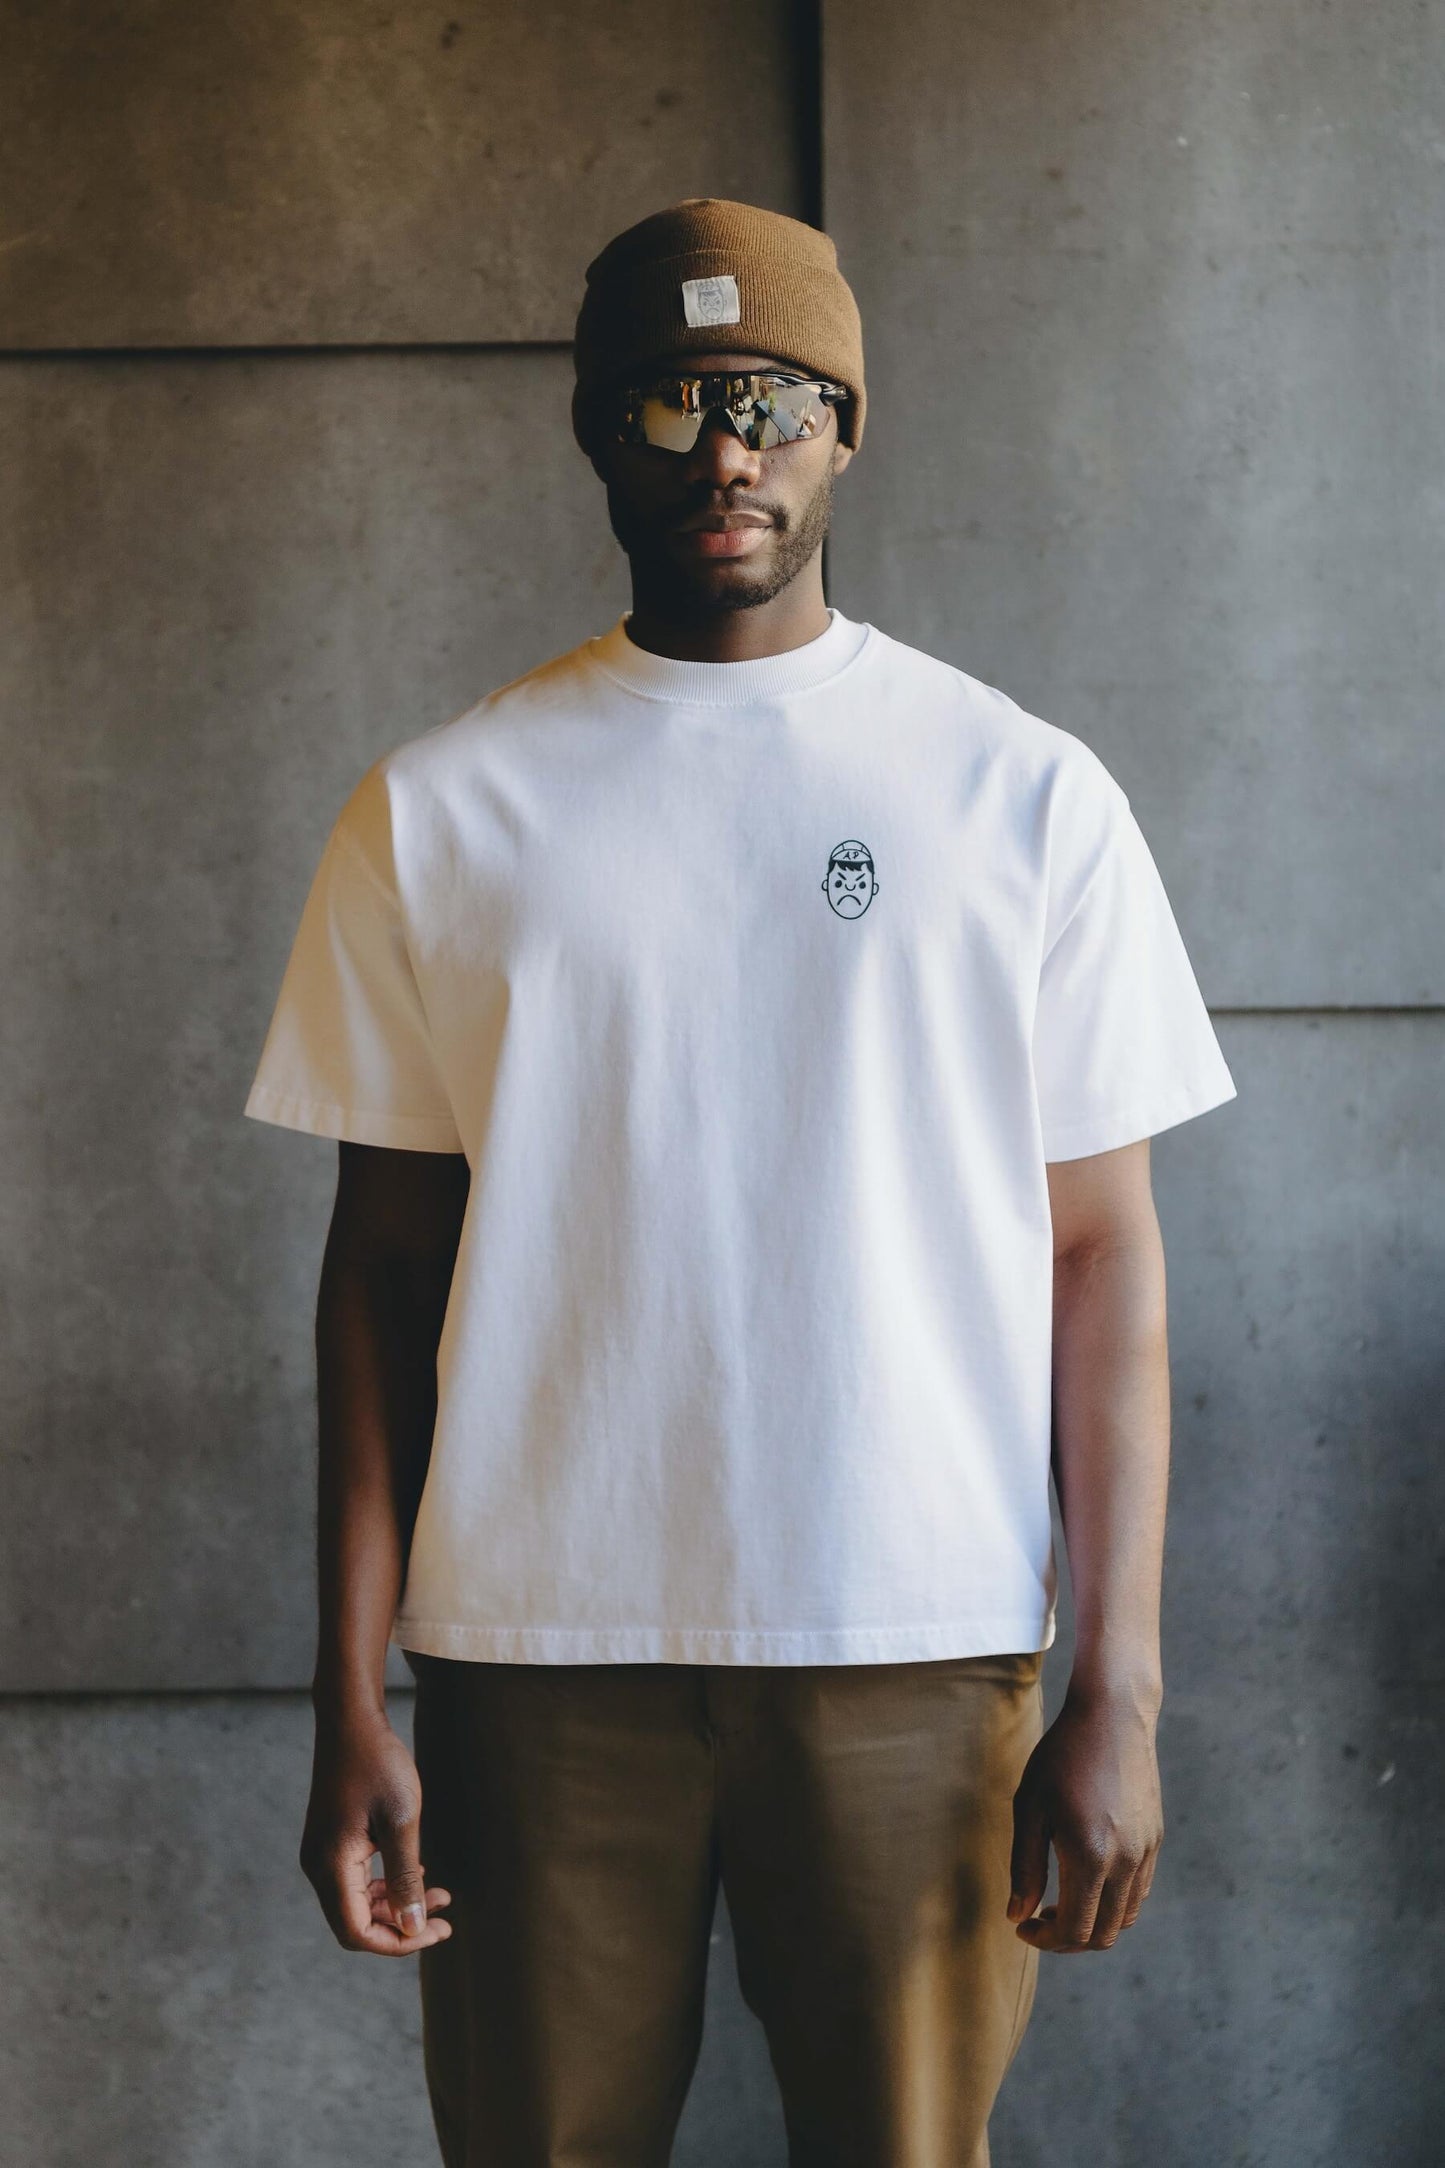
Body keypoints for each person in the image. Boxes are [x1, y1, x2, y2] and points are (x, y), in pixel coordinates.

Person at [244, 198, 1237, 2167]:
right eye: (673, 402)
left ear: (847, 427)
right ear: (596, 430)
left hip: (914, 1632)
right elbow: (379, 1279)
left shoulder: (1020, 793)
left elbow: (1103, 1256)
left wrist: (1118, 1686)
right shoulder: (440, 808)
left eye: (775, 401)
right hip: (535, 1651)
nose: (727, 450)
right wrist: (349, 1691)